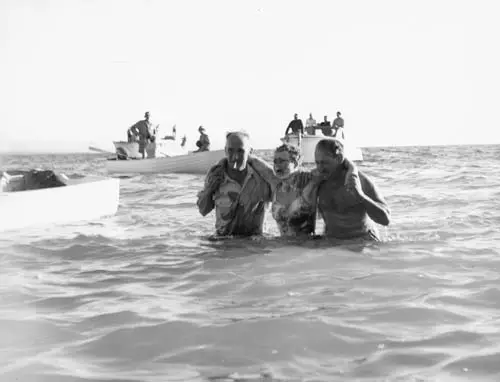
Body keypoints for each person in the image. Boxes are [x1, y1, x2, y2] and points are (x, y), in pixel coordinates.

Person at [246, 143, 357, 237]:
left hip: (306, 248)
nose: (277, 165)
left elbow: (339, 164)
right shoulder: (275, 183)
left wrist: (353, 171)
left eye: (282, 161)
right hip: (282, 248)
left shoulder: (310, 179)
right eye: (275, 161)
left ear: (295, 162)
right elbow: (252, 159)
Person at [197, 131, 272, 237]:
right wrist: (209, 190)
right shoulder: (215, 174)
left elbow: (284, 200)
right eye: (230, 150)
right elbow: (203, 210)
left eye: (240, 151)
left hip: (255, 245)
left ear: (250, 151)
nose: (235, 156)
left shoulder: (263, 176)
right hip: (224, 242)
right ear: (225, 150)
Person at [315, 138, 390, 241]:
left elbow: (385, 220)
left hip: (361, 242)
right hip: (332, 243)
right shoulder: (317, 180)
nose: (319, 168)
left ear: (339, 158)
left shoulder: (360, 181)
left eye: (324, 163)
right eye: (317, 163)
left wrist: (360, 196)